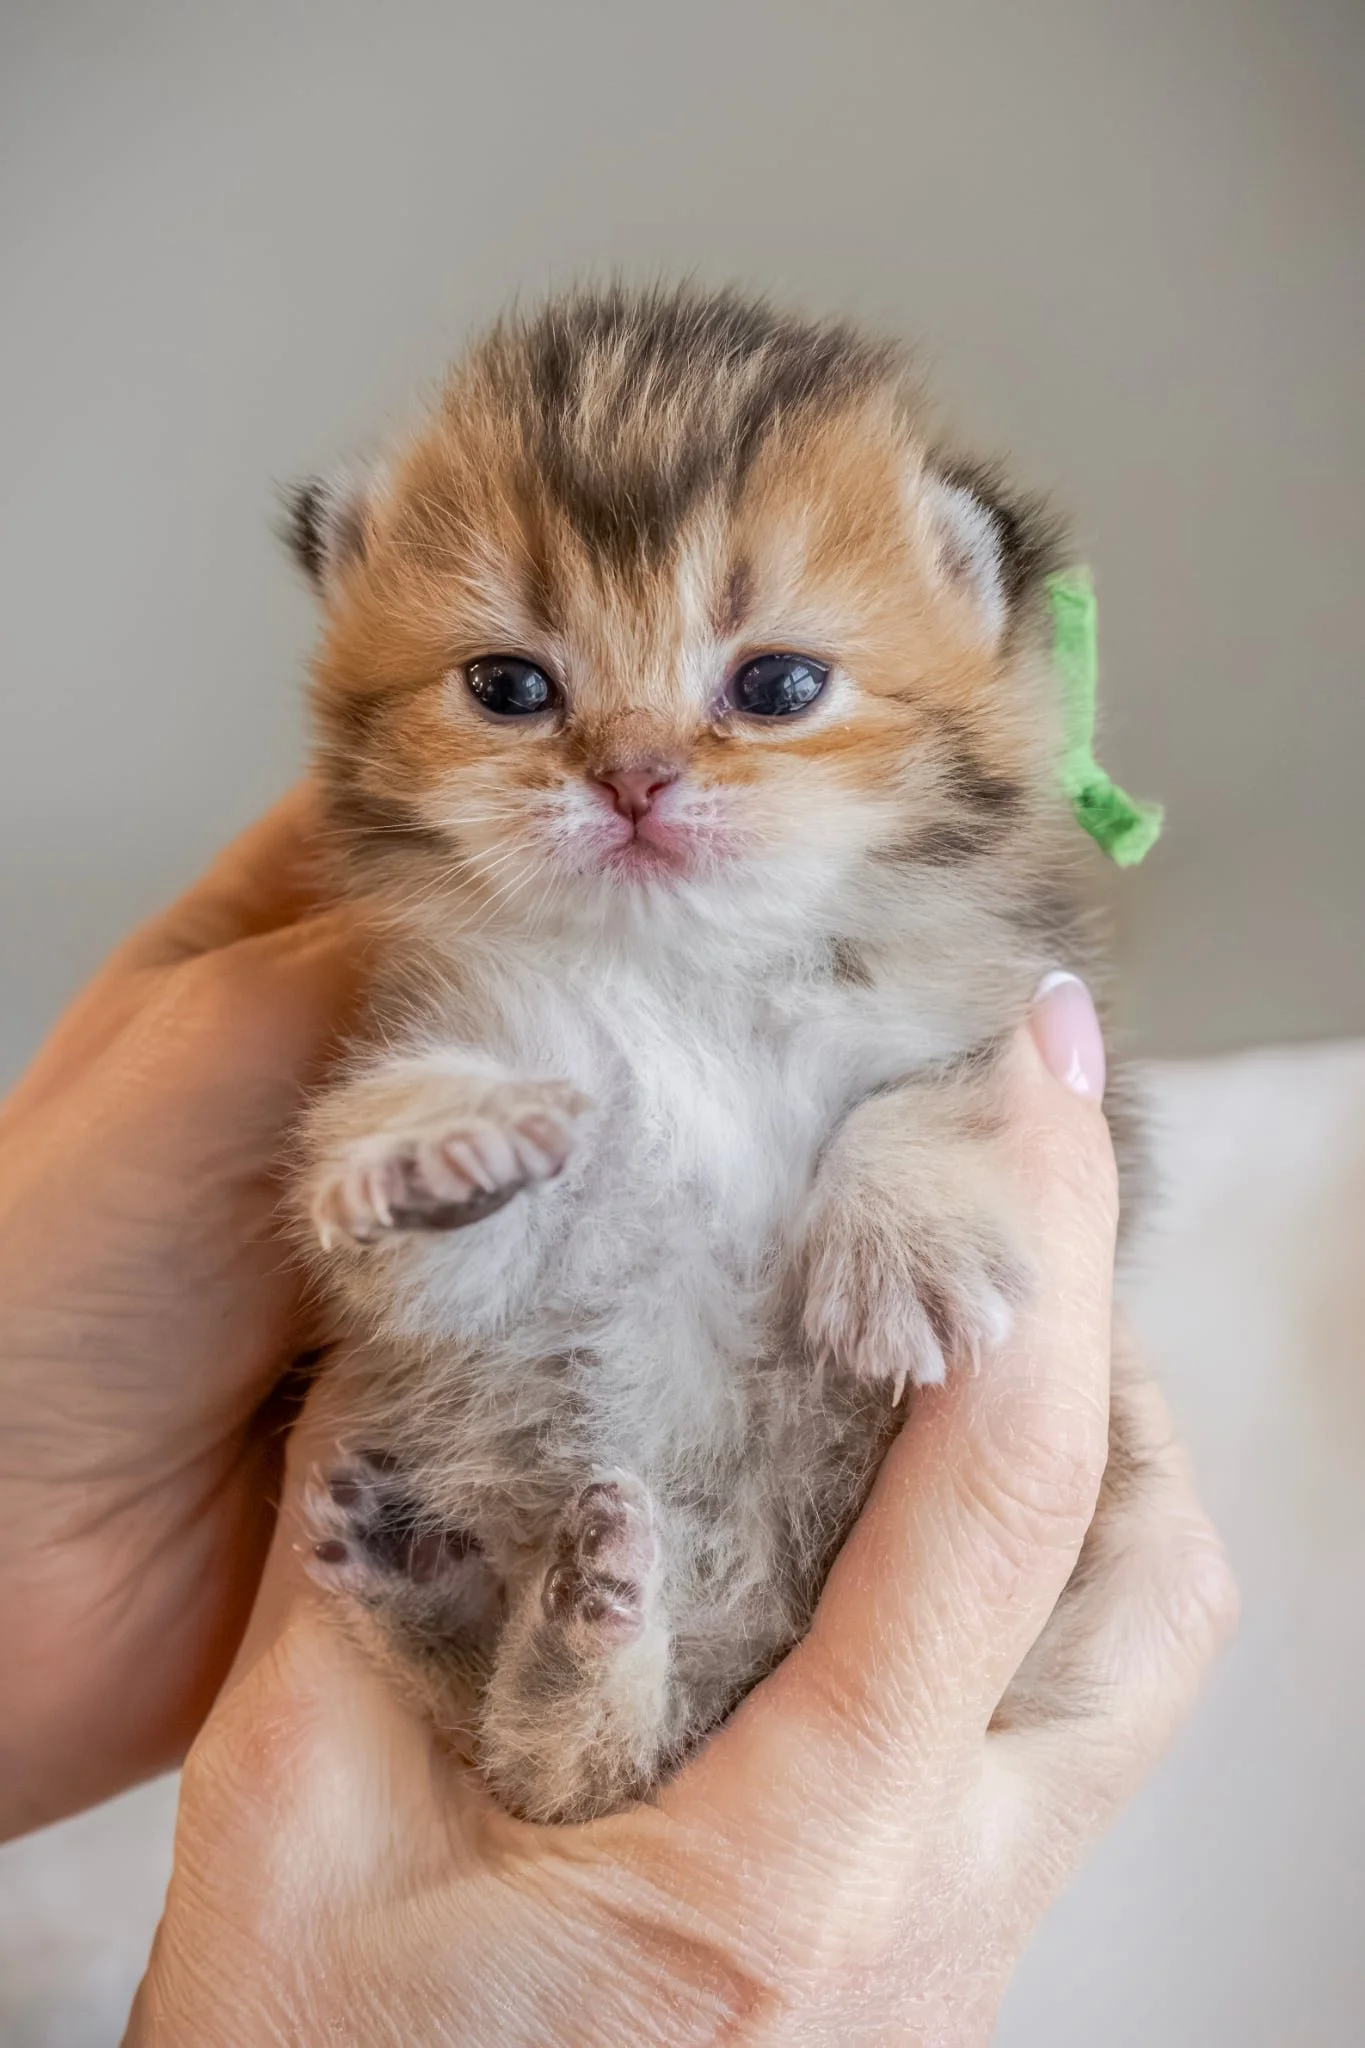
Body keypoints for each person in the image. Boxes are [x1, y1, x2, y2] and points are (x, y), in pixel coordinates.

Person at [0, 792, 1236, 2045]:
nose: (638, 777)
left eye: (774, 688)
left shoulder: (926, 923)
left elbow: (985, 1125)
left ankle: (560, 1691)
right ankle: (568, 1700)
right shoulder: (480, 956)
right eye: (515, 688)